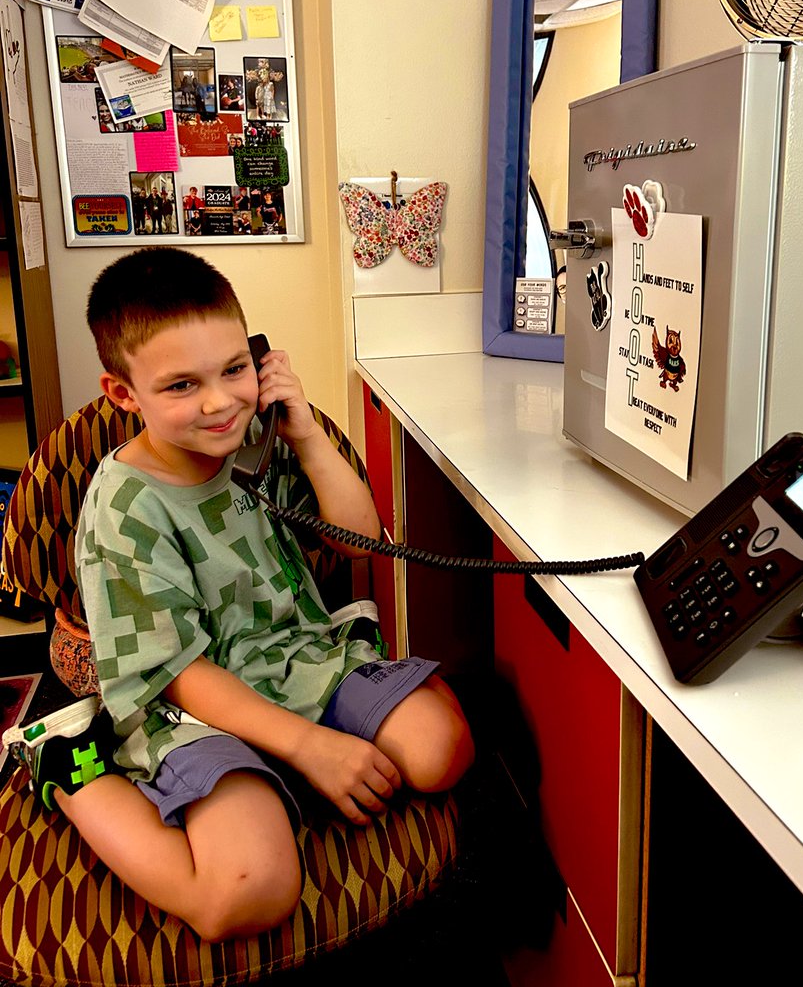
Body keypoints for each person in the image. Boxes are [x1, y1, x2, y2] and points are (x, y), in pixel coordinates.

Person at [3, 248, 473, 941]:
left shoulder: (254, 440)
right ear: (123, 394)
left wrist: (304, 433)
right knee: (247, 892)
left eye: (235, 369)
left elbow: (360, 541)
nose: (221, 402)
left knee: (442, 749)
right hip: (188, 702)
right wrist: (312, 747)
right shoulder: (125, 511)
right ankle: (70, 770)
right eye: (181, 386)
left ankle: (287, 762)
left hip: (297, 657)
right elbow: (179, 673)